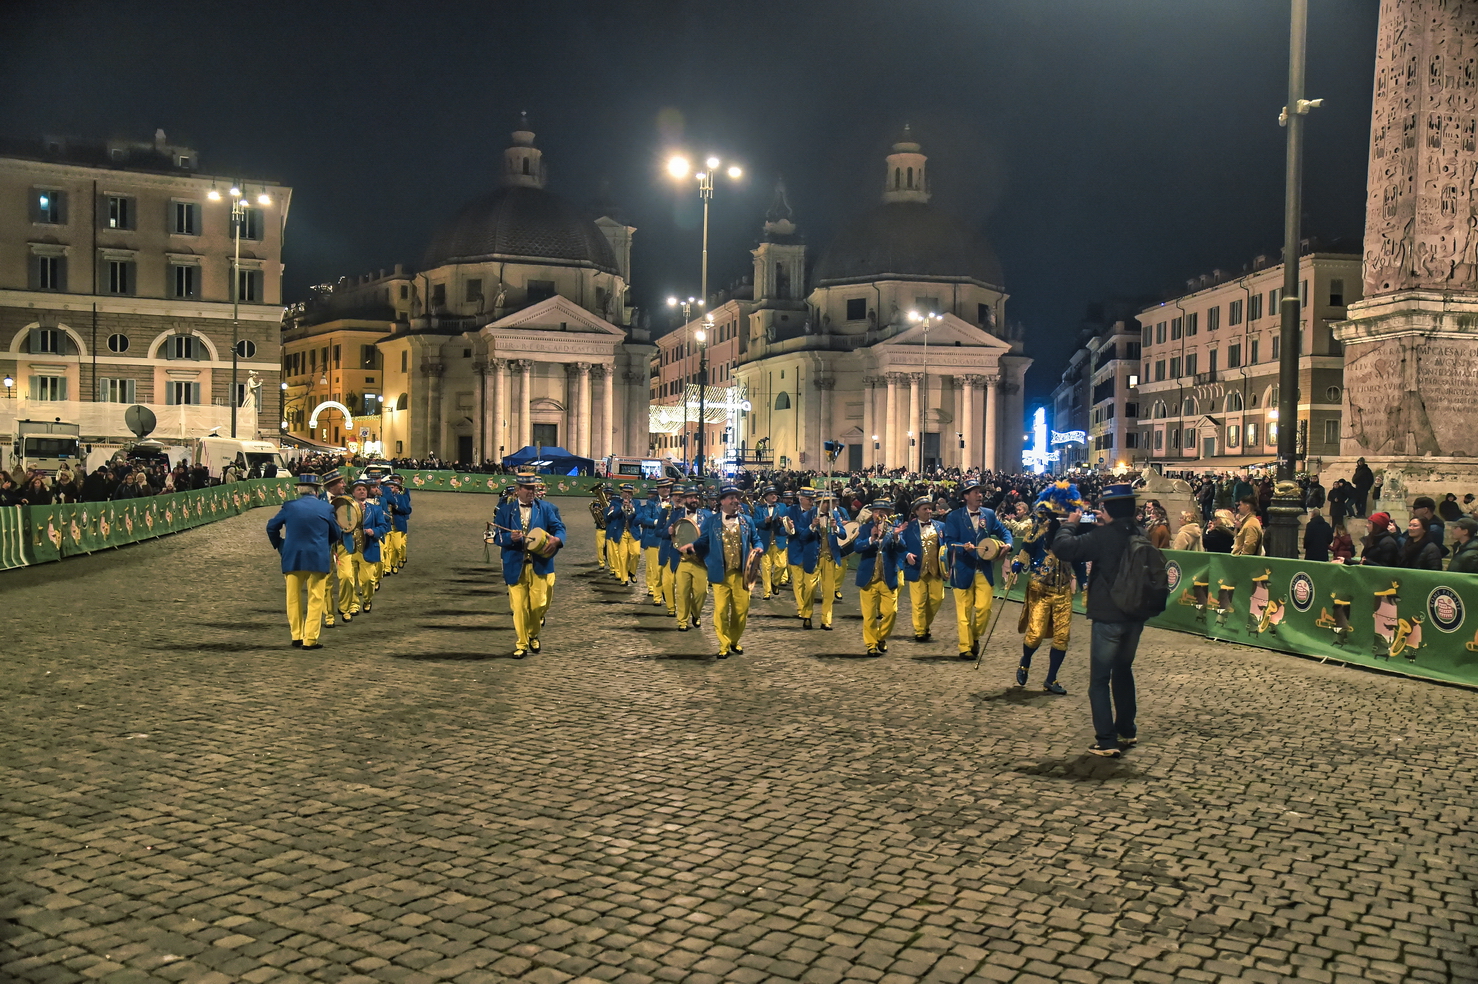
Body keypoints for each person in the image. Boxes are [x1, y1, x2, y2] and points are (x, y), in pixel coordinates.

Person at [1048, 483, 1150, 758]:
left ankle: (1106, 740)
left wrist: (1070, 524)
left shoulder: (1104, 536)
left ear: (1108, 509)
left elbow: (1064, 548)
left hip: (1109, 615)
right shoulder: (1140, 533)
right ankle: (1126, 730)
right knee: (1123, 671)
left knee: (1099, 680)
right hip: (1135, 614)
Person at [1012, 483, 1085, 695]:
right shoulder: (1038, 530)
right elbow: (1025, 549)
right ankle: (1025, 661)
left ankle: (1051, 678)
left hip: (1063, 591)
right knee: (1035, 634)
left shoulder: (1073, 534)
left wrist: (1085, 584)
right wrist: (1018, 562)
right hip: (1041, 590)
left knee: (1062, 637)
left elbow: (1078, 561)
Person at [492, 470, 566, 658]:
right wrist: (509, 537)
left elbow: (559, 528)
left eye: (533, 488)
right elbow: (497, 536)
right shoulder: (505, 510)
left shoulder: (546, 509)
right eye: (527, 488)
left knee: (538, 606)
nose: (531, 491)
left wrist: (557, 539)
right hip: (515, 566)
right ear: (517, 489)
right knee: (519, 608)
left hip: (539, 565)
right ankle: (522, 644)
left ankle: (533, 633)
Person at [684, 485, 762, 658]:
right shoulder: (712, 521)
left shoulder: (747, 521)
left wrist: (758, 548)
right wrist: (692, 546)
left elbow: (756, 539)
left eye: (737, 497)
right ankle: (723, 644)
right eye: (731, 498)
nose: (736, 501)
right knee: (720, 611)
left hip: (741, 574)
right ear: (722, 501)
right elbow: (703, 541)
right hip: (720, 574)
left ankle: (734, 640)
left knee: (741, 611)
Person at [265, 473, 339, 649]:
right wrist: (324, 545)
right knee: (316, 599)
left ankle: (296, 635)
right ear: (316, 490)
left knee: (293, 598)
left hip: (293, 557)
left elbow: (271, 527)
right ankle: (310, 639)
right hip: (317, 557)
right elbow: (336, 533)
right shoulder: (326, 508)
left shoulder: (289, 506)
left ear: (299, 489)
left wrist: (280, 545)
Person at [942, 480, 1014, 660]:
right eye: (975, 492)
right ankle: (965, 647)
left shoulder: (988, 514)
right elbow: (949, 542)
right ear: (966, 496)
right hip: (962, 569)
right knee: (964, 612)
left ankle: (974, 637)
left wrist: (1008, 544)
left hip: (984, 569)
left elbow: (1004, 531)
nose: (980, 495)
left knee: (984, 609)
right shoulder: (954, 517)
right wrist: (962, 547)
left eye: (980, 492)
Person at [853, 501, 906, 657]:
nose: (880, 515)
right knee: (869, 616)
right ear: (872, 514)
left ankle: (881, 637)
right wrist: (871, 539)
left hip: (888, 578)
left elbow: (902, 548)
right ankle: (871, 645)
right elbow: (857, 547)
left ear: (889, 514)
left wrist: (896, 536)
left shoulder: (895, 529)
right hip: (868, 579)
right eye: (877, 511)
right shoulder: (865, 529)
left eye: (884, 512)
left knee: (891, 612)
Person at [900, 496, 948, 642]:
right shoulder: (908, 528)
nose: (928, 511)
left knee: (937, 599)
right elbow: (899, 547)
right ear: (916, 511)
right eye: (925, 509)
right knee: (918, 602)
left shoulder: (941, 526)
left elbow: (947, 545)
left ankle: (925, 624)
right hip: (917, 569)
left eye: (929, 508)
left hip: (936, 569)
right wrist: (906, 554)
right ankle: (920, 630)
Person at [671, 485, 711, 630]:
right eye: (691, 497)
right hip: (681, 559)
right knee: (682, 592)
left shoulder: (707, 515)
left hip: (700, 560)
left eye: (696, 497)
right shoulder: (675, 515)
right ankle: (682, 621)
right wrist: (669, 532)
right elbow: (662, 533)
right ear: (684, 499)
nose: (694, 500)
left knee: (701, 592)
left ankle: (695, 612)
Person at [785, 488, 822, 628]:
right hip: (796, 550)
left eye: (813, 499)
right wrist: (789, 527)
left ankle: (806, 608)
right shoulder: (790, 510)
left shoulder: (817, 512)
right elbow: (782, 529)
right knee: (798, 583)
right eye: (809, 499)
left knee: (810, 586)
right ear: (801, 499)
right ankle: (802, 609)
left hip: (811, 551)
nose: (812, 502)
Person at [815, 492, 849, 630]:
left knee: (829, 591)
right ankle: (806, 613)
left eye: (832, 502)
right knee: (809, 589)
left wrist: (836, 527)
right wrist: (812, 526)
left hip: (829, 557)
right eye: (826, 502)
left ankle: (826, 620)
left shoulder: (835, 515)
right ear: (818, 503)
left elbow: (843, 535)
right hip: (814, 557)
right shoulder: (810, 515)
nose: (829, 505)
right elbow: (803, 535)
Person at [639, 482, 673, 606]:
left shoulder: (674, 502)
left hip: (669, 540)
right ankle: (657, 596)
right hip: (653, 539)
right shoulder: (651, 503)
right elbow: (645, 519)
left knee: (669, 572)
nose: (666, 489)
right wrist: (658, 522)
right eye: (663, 487)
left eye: (668, 487)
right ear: (658, 489)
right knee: (656, 570)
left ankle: (667, 592)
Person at [752, 486, 788, 599]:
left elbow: (788, 520)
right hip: (765, 541)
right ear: (766, 497)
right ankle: (766, 592)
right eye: (771, 494)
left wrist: (783, 520)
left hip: (779, 539)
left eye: (775, 494)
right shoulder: (759, 509)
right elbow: (754, 522)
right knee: (766, 569)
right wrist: (764, 521)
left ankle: (775, 582)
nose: (774, 496)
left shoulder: (783, 507)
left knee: (782, 565)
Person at [603, 483, 642, 587]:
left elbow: (640, 515)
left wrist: (632, 509)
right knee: (623, 556)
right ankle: (624, 579)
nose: (627, 494)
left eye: (629, 492)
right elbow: (611, 516)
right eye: (625, 492)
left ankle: (632, 571)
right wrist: (621, 507)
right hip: (621, 532)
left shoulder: (637, 503)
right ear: (622, 492)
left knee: (636, 553)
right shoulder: (615, 502)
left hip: (633, 532)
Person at [382, 474, 412, 574]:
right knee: (386, 548)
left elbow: (407, 509)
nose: (391, 489)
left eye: (393, 486)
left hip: (398, 525)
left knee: (397, 547)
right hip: (386, 526)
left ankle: (396, 561)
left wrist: (397, 506)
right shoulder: (382, 498)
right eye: (389, 487)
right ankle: (387, 567)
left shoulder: (401, 496)